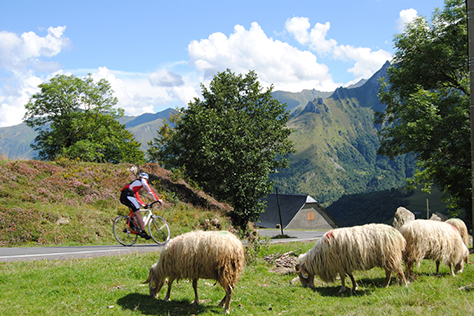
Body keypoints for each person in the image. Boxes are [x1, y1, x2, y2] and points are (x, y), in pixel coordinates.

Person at [120, 172, 163, 240]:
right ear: (145, 178)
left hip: (123, 196)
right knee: (138, 212)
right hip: (128, 194)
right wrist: (158, 200)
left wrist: (144, 205)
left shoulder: (134, 186)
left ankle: (132, 224)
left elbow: (137, 199)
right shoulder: (143, 180)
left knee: (135, 210)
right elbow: (150, 191)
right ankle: (143, 232)